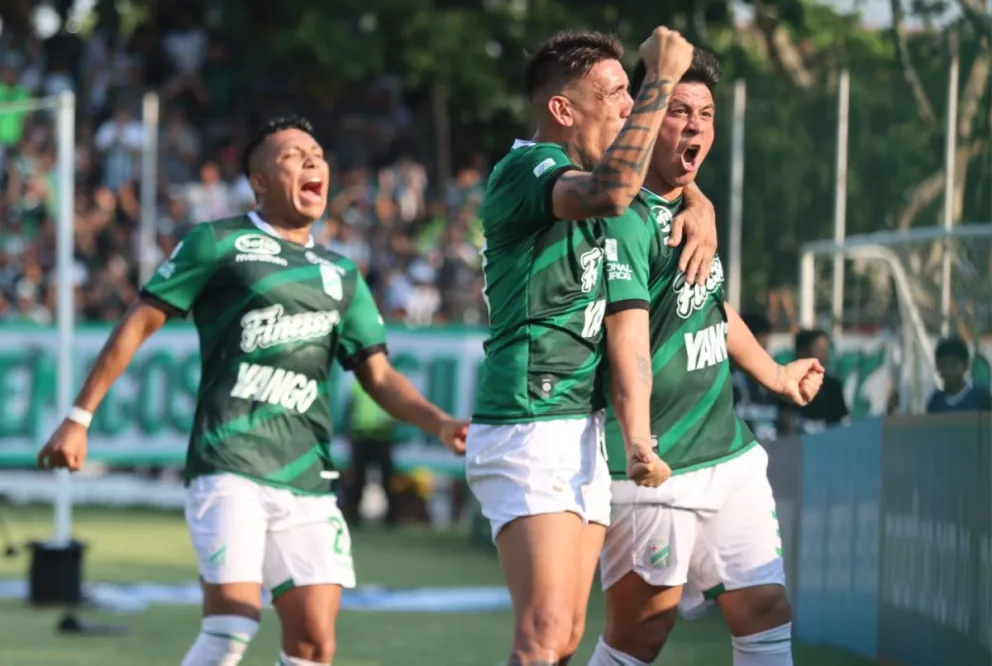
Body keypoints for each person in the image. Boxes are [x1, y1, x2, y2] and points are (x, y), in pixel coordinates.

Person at [36, 116, 469, 666]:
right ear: (259, 182)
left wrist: (439, 422)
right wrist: (79, 416)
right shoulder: (218, 242)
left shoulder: (342, 274)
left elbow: (379, 376)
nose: (311, 161)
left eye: (317, 153)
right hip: (230, 463)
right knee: (229, 629)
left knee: (314, 644)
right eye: (292, 154)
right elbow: (138, 323)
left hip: (307, 476)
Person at [465, 28, 716, 665]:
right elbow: (614, 189)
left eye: (634, 90)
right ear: (562, 109)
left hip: (583, 428)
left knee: (565, 640)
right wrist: (663, 79)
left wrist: (699, 199)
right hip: (529, 420)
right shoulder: (527, 169)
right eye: (614, 93)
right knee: (543, 634)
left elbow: (646, 182)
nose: (632, 104)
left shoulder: (599, 183)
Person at [590, 53, 825, 666]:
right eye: (678, 111)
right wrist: (638, 440)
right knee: (641, 634)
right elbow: (627, 341)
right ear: (644, 118)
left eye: (706, 113)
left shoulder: (690, 212)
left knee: (766, 609)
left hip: (728, 450)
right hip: (656, 461)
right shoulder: (622, 218)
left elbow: (711, 306)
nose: (695, 125)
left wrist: (776, 375)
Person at [781, 328, 848, 433]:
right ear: (802, 353)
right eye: (819, 350)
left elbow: (840, 423)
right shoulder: (788, 385)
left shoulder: (833, 386)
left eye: (826, 350)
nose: (824, 356)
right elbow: (785, 420)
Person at [926, 336, 992, 413]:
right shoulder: (935, 402)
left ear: (965, 366)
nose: (948, 371)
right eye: (943, 366)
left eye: (953, 365)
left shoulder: (980, 396)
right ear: (938, 367)